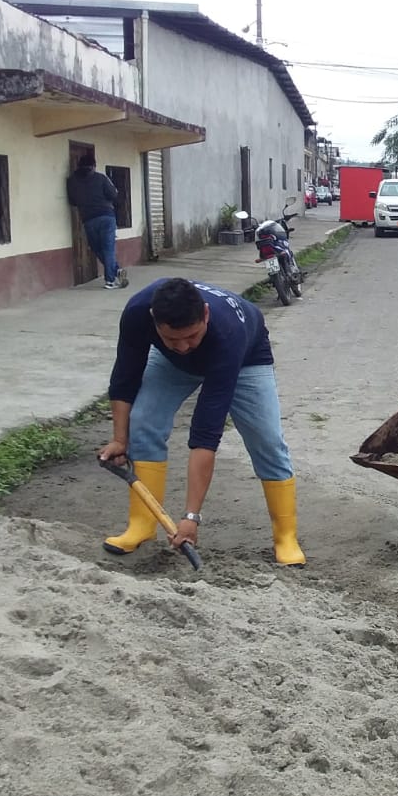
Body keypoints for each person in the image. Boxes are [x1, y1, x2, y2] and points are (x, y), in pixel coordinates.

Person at [97, 277, 305, 566]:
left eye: (192, 336)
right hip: (172, 365)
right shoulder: (137, 312)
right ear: (153, 319)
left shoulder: (228, 333)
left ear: (205, 314)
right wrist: (120, 439)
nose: (183, 346)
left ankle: (286, 537)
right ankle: (142, 526)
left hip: (244, 359)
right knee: (143, 421)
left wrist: (190, 517)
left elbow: (206, 431)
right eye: (172, 338)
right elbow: (124, 377)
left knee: (267, 441)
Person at [66, 153, 127, 289]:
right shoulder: (101, 178)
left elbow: (72, 201)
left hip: (89, 219)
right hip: (107, 217)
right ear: (93, 166)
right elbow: (113, 194)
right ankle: (111, 279)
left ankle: (115, 271)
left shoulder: (72, 181)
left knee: (97, 248)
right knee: (108, 249)